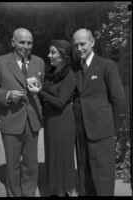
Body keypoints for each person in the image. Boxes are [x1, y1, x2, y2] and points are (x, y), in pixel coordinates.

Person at [0, 28, 45, 197]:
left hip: (32, 120)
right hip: (10, 120)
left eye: (29, 42)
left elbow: (43, 89)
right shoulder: (0, 62)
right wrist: (7, 95)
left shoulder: (39, 62)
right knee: (13, 164)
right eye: (22, 42)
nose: (26, 46)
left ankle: (29, 193)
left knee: (31, 164)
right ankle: (15, 194)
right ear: (13, 42)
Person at [72, 28, 125, 196]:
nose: (79, 48)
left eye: (82, 44)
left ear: (92, 42)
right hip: (81, 133)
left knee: (102, 180)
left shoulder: (106, 65)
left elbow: (118, 100)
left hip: (102, 134)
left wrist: (112, 130)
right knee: (84, 178)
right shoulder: (75, 69)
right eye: (76, 45)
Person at [28, 40, 76, 196]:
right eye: (50, 52)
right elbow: (48, 95)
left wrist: (39, 91)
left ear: (63, 56)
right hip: (51, 121)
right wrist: (38, 86)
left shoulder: (70, 75)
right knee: (52, 155)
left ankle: (63, 192)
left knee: (61, 157)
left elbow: (60, 102)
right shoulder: (52, 72)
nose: (49, 55)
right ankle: (56, 189)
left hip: (62, 121)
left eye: (53, 52)